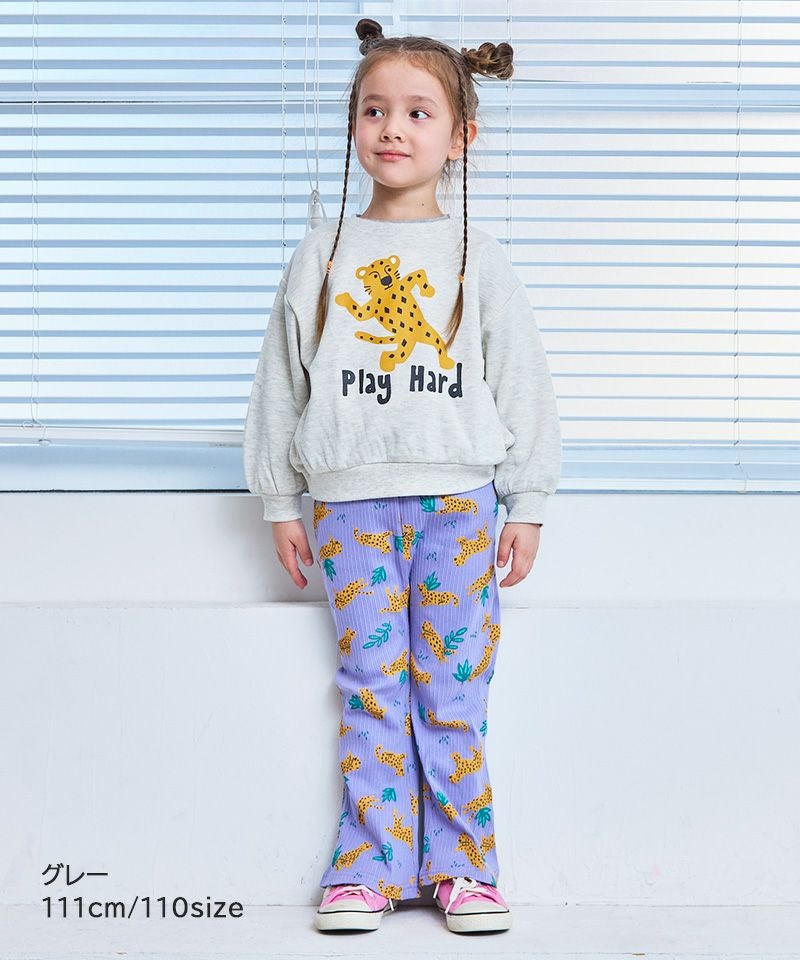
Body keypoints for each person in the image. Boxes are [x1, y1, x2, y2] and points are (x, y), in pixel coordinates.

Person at [242, 17, 562, 936]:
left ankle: (464, 867)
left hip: (461, 502)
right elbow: (281, 382)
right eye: (374, 110)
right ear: (353, 125)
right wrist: (279, 499)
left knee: (452, 693)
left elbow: (523, 382)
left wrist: (528, 501)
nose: (392, 128)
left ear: (461, 137)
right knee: (371, 686)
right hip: (347, 507)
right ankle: (368, 868)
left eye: (418, 112)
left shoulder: (480, 258)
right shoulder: (320, 255)